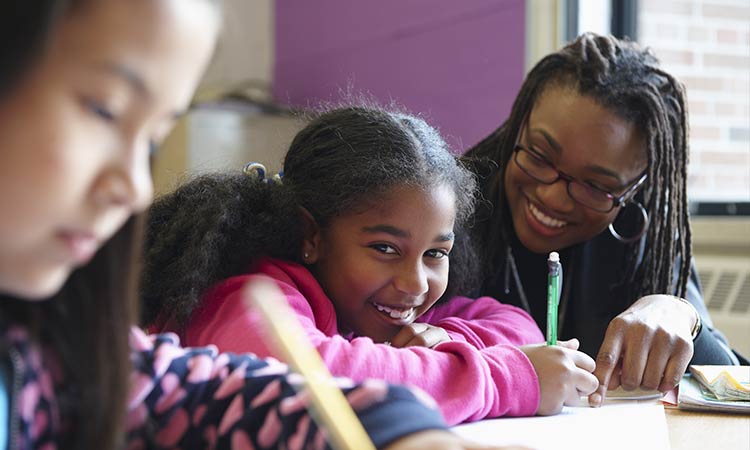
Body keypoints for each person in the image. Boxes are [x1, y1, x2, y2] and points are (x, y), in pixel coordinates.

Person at [0, 1, 524, 449]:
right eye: (104, 111)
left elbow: (185, 389)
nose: (135, 187)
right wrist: (500, 375)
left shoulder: (45, 352)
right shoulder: (252, 292)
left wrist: (397, 424)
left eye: (154, 140)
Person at [141, 105, 599, 425]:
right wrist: (508, 379)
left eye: (436, 253)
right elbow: (312, 380)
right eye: (384, 248)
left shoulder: (380, 303)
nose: (415, 282)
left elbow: (517, 326)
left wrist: (445, 340)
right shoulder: (247, 292)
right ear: (311, 236)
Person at [461, 32, 743, 408]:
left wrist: (679, 312)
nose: (552, 196)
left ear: (636, 187)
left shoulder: (640, 233)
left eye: (596, 186)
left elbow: (728, 380)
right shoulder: (451, 211)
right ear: (519, 125)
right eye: (541, 156)